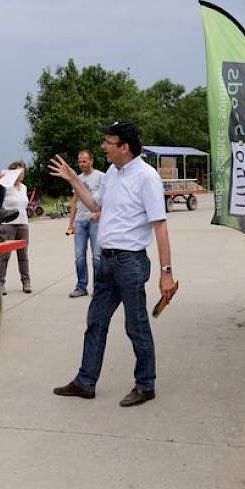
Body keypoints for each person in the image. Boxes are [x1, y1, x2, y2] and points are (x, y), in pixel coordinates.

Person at [48, 121, 177, 407]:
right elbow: (95, 207)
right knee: (95, 322)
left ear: (125, 147)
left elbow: (160, 227)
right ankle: (85, 382)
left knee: (136, 325)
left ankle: (146, 385)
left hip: (130, 263)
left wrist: (166, 273)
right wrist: (73, 179)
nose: (103, 146)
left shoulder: (147, 177)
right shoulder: (111, 176)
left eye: (109, 142)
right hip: (106, 262)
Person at [66, 150, 104, 298]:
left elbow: (107, 198)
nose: (82, 164)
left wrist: (101, 214)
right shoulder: (78, 178)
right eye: (80, 161)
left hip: (95, 221)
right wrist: (71, 224)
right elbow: (74, 201)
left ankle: (99, 288)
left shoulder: (101, 177)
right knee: (79, 256)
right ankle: (81, 286)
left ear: (91, 161)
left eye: (84, 161)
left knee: (97, 256)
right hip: (80, 222)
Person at [0, 161, 30, 294]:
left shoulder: (24, 187)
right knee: (4, 255)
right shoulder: (4, 186)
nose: (22, 174)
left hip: (23, 223)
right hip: (7, 225)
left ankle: (26, 282)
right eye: (19, 172)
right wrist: (4, 175)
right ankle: (0, 282)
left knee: (23, 255)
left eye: (23, 172)